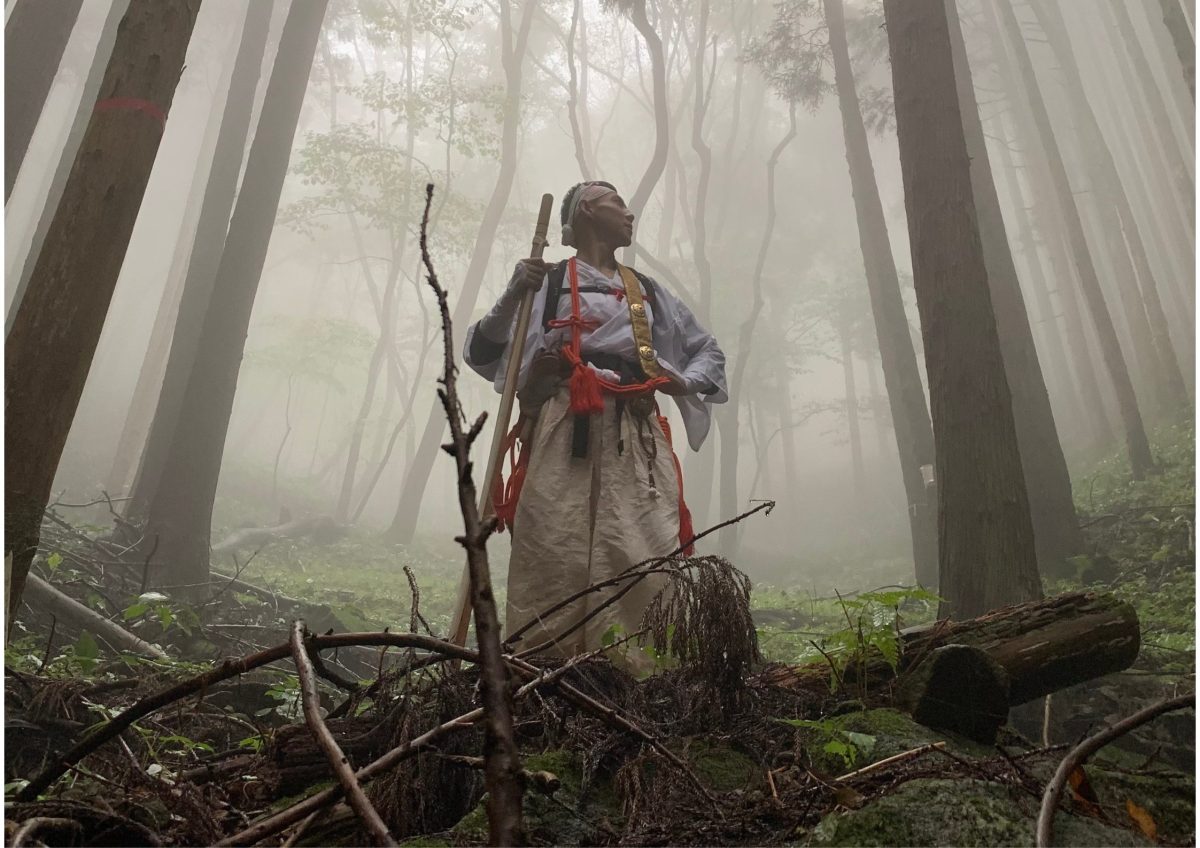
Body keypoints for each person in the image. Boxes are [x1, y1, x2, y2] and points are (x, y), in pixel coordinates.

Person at [463, 181, 727, 657]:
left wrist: (681, 381)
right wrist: (511, 294)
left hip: (636, 429)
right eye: (617, 203)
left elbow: (705, 350)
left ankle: (641, 667)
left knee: (643, 541)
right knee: (552, 539)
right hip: (564, 421)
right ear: (587, 209)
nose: (629, 214)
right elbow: (482, 351)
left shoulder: (646, 291)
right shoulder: (548, 280)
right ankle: (542, 666)